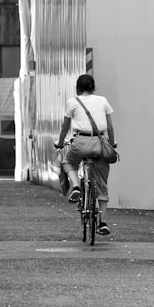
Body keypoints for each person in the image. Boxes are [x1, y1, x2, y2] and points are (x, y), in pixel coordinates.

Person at [56, 74, 116, 236]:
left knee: (68, 161)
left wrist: (60, 143)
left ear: (77, 88)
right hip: (100, 142)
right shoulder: (103, 101)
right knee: (102, 183)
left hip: (80, 142)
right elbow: (110, 128)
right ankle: (102, 222)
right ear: (93, 87)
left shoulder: (72, 102)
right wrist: (112, 143)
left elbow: (65, 127)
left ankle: (76, 186)